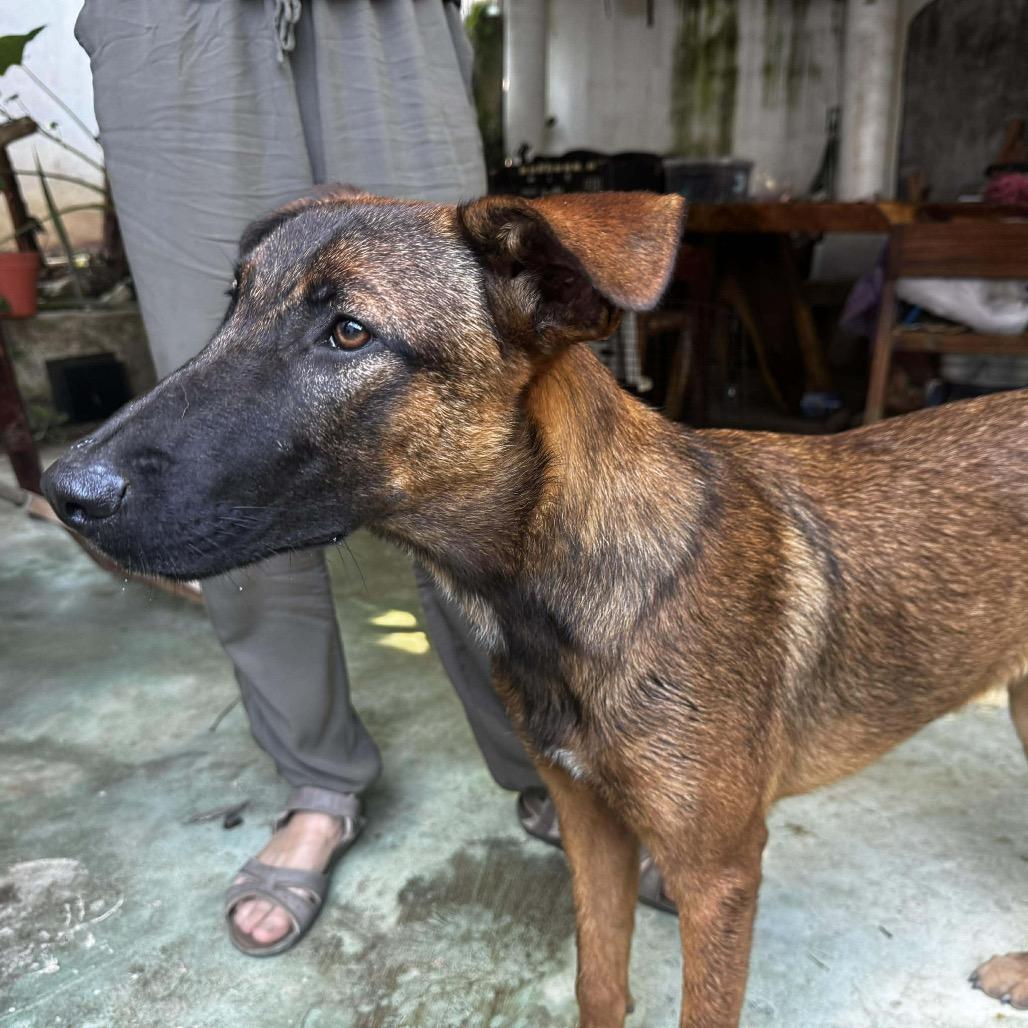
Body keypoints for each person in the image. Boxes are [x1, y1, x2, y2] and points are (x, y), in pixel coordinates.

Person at [76, 0, 670, 957]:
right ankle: (316, 781)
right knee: (222, 427)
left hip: (383, 18)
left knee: (465, 367)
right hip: (173, 18)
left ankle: (549, 771)